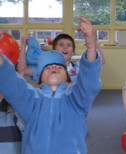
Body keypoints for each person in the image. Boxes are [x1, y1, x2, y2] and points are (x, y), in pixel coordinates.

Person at [0, 16, 102, 153]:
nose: (53, 66)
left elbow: (89, 80)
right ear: (39, 84)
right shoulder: (32, 101)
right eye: (47, 67)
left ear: (68, 81)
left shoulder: (76, 100)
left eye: (60, 67)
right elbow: (11, 82)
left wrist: (91, 46)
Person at [19, 31, 106, 82]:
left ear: (73, 52)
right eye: (61, 44)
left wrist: (93, 42)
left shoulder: (79, 66)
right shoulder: (45, 68)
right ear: (54, 51)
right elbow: (22, 71)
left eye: (69, 45)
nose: (65, 47)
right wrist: (23, 46)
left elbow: (101, 61)